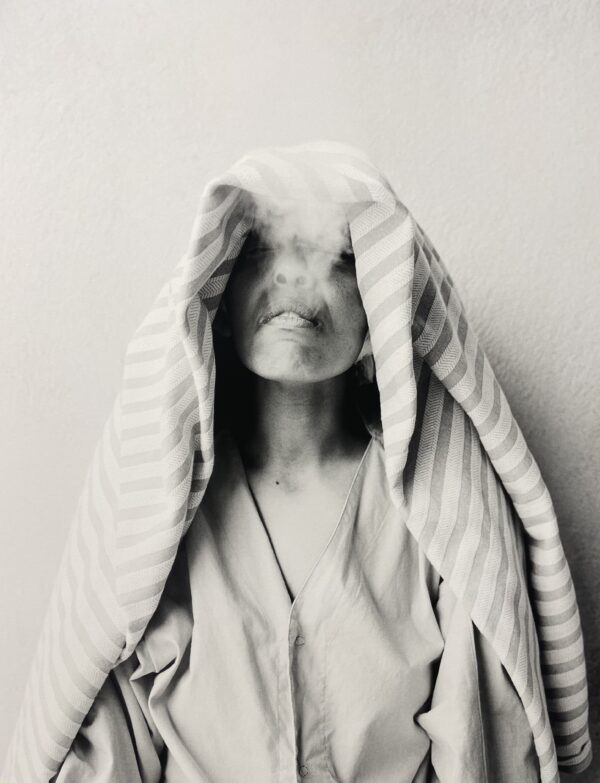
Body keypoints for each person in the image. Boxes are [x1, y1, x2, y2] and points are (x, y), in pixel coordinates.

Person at [4, 142, 591, 783]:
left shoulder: (444, 524)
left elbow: (481, 753)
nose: (293, 276)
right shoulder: (157, 524)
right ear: (221, 299)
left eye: (338, 259)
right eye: (262, 251)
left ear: (379, 312)